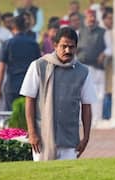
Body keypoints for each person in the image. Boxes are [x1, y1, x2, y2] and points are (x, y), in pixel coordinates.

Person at [21, 26, 95, 161]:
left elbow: (86, 106)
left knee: (66, 178)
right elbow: (29, 100)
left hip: (70, 139)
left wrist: (86, 137)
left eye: (71, 47)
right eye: (64, 46)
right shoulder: (38, 66)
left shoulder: (83, 72)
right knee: (41, 178)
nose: (68, 50)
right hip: (42, 137)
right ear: (55, 45)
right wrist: (32, 132)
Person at [0, 14, 41, 111]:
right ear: (25, 26)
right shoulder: (33, 44)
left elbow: (2, 67)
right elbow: (39, 66)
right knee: (28, 114)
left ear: (14, 26)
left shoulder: (8, 43)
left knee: (11, 116)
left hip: (12, 85)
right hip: (30, 85)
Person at [76, 9, 105, 121]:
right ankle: (81, 119)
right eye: (89, 17)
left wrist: (103, 53)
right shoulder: (80, 32)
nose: (91, 19)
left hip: (97, 67)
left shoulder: (103, 32)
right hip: (83, 66)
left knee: (98, 94)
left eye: (93, 17)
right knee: (81, 93)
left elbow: (110, 48)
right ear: (85, 19)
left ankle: (97, 118)